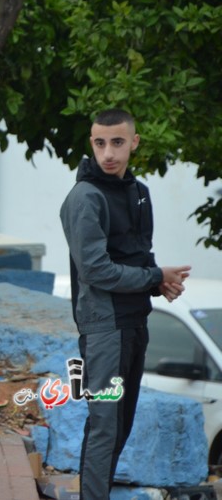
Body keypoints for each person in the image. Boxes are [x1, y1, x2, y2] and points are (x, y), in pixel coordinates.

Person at [59, 109, 191, 500]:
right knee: (104, 426)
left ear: (134, 142)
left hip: (136, 323)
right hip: (103, 329)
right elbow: (96, 271)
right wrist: (154, 277)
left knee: (121, 425)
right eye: (100, 143)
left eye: (117, 142)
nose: (108, 153)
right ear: (92, 143)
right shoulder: (85, 197)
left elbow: (136, 254)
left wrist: (158, 283)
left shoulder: (138, 193)